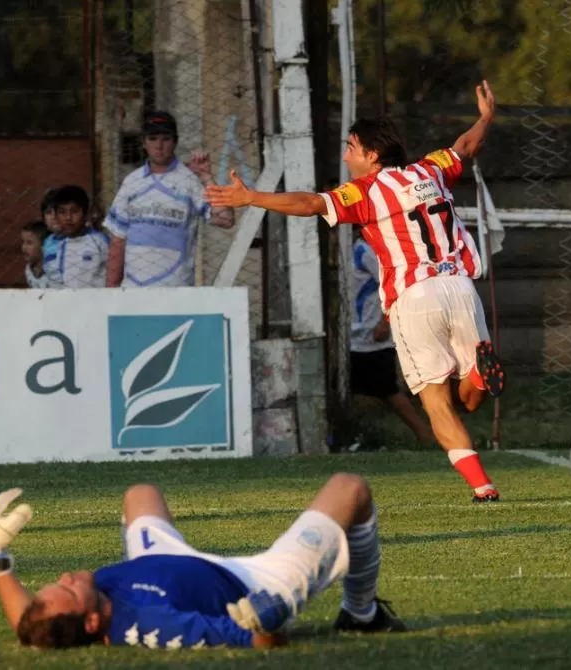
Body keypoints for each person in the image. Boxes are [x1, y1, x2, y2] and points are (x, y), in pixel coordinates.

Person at [206, 81, 504, 503]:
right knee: (469, 398)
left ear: (371, 156)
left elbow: (309, 204)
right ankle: (477, 372)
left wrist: (252, 196)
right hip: (459, 285)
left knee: (437, 402)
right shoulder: (432, 169)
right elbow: (465, 146)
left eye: (351, 147)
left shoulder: (365, 193)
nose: (345, 155)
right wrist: (487, 117)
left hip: (414, 295)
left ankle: (483, 486)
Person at [0, 474, 405, 650]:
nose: (67, 576)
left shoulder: (74, 612)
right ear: (92, 623)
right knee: (350, 489)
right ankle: (361, 614)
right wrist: (267, 621)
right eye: (68, 589)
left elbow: (28, 625)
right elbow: (256, 642)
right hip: (251, 581)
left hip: (164, 561)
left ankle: (361, 613)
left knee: (139, 494)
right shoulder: (151, 624)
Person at [104, 111, 234, 288]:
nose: (159, 145)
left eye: (165, 138)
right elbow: (118, 241)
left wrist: (207, 179)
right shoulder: (131, 182)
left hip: (176, 291)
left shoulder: (189, 180)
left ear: (175, 142)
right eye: (152, 138)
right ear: (143, 142)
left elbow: (226, 219)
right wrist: (111, 293)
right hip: (133, 291)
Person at [349, 230, 434, 447]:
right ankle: (361, 436)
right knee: (367, 389)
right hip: (357, 335)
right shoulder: (354, 249)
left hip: (370, 335)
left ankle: (426, 435)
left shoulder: (367, 250)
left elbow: (394, 285)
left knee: (387, 389)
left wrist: (383, 323)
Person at [41, 185, 109, 289]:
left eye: (74, 211)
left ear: (85, 213)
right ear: (56, 216)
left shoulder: (100, 241)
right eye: (62, 212)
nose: (68, 218)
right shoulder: (59, 246)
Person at [20, 220, 50, 289]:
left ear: (44, 245)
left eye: (29, 243)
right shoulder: (28, 269)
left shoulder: (53, 269)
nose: (24, 247)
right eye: (23, 242)